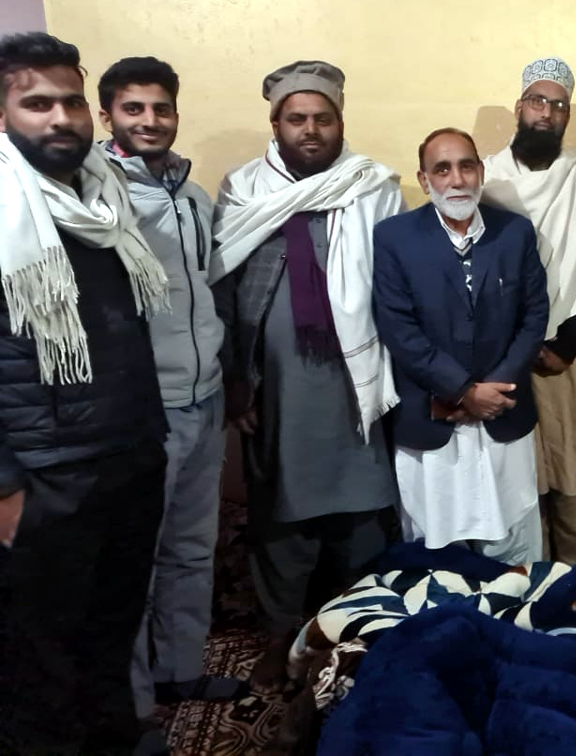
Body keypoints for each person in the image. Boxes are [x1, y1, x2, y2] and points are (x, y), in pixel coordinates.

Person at [0, 32, 171, 754]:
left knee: (110, 631)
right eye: (36, 102)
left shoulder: (105, 198)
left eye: (71, 99)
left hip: (128, 454)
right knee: (34, 660)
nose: (61, 117)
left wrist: (151, 440)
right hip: (44, 476)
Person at [210, 60, 402, 692]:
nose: (311, 130)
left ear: (341, 121)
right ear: (276, 123)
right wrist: (237, 383)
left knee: (363, 518)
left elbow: (399, 288)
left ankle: (360, 636)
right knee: (281, 520)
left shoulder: (373, 185)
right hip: (280, 390)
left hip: (358, 384)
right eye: (298, 119)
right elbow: (226, 297)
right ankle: (278, 638)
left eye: (323, 118)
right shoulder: (242, 191)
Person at [97, 56, 248, 750]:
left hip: (204, 396)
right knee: (131, 560)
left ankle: (181, 671)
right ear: (109, 118)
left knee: (192, 549)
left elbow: (213, 291)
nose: (150, 121)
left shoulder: (194, 197)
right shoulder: (92, 193)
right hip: (140, 410)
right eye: (134, 109)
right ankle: (131, 711)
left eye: (160, 108)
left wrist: (229, 378)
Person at [374, 127, 549, 563]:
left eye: (466, 166)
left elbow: (534, 317)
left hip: (503, 415)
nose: (456, 179)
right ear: (424, 178)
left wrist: (496, 387)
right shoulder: (395, 238)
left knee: (511, 548)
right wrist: (464, 391)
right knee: (438, 552)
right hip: (431, 421)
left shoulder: (515, 233)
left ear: (480, 172)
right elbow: (398, 328)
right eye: (443, 169)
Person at [482, 57, 576, 582]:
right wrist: (515, 344)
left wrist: (563, 345)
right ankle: (520, 591)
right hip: (499, 358)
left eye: (558, 106)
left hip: (569, 354)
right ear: (520, 108)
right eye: (538, 102)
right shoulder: (487, 177)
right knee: (515, 479)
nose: (547, 113)